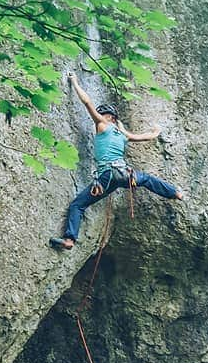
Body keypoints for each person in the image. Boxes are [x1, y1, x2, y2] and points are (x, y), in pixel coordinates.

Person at [50, 73, 183, 250]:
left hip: (106, 177)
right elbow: (145, 137)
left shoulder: (103, 125)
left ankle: (70, 239)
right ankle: (175, 193)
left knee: (78, 205)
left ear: (108, 117)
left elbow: (87, 102)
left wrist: (74, 81)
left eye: (102, 114)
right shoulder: (123, 135)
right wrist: (156, 131)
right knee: (148, 180)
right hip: (125, 175)